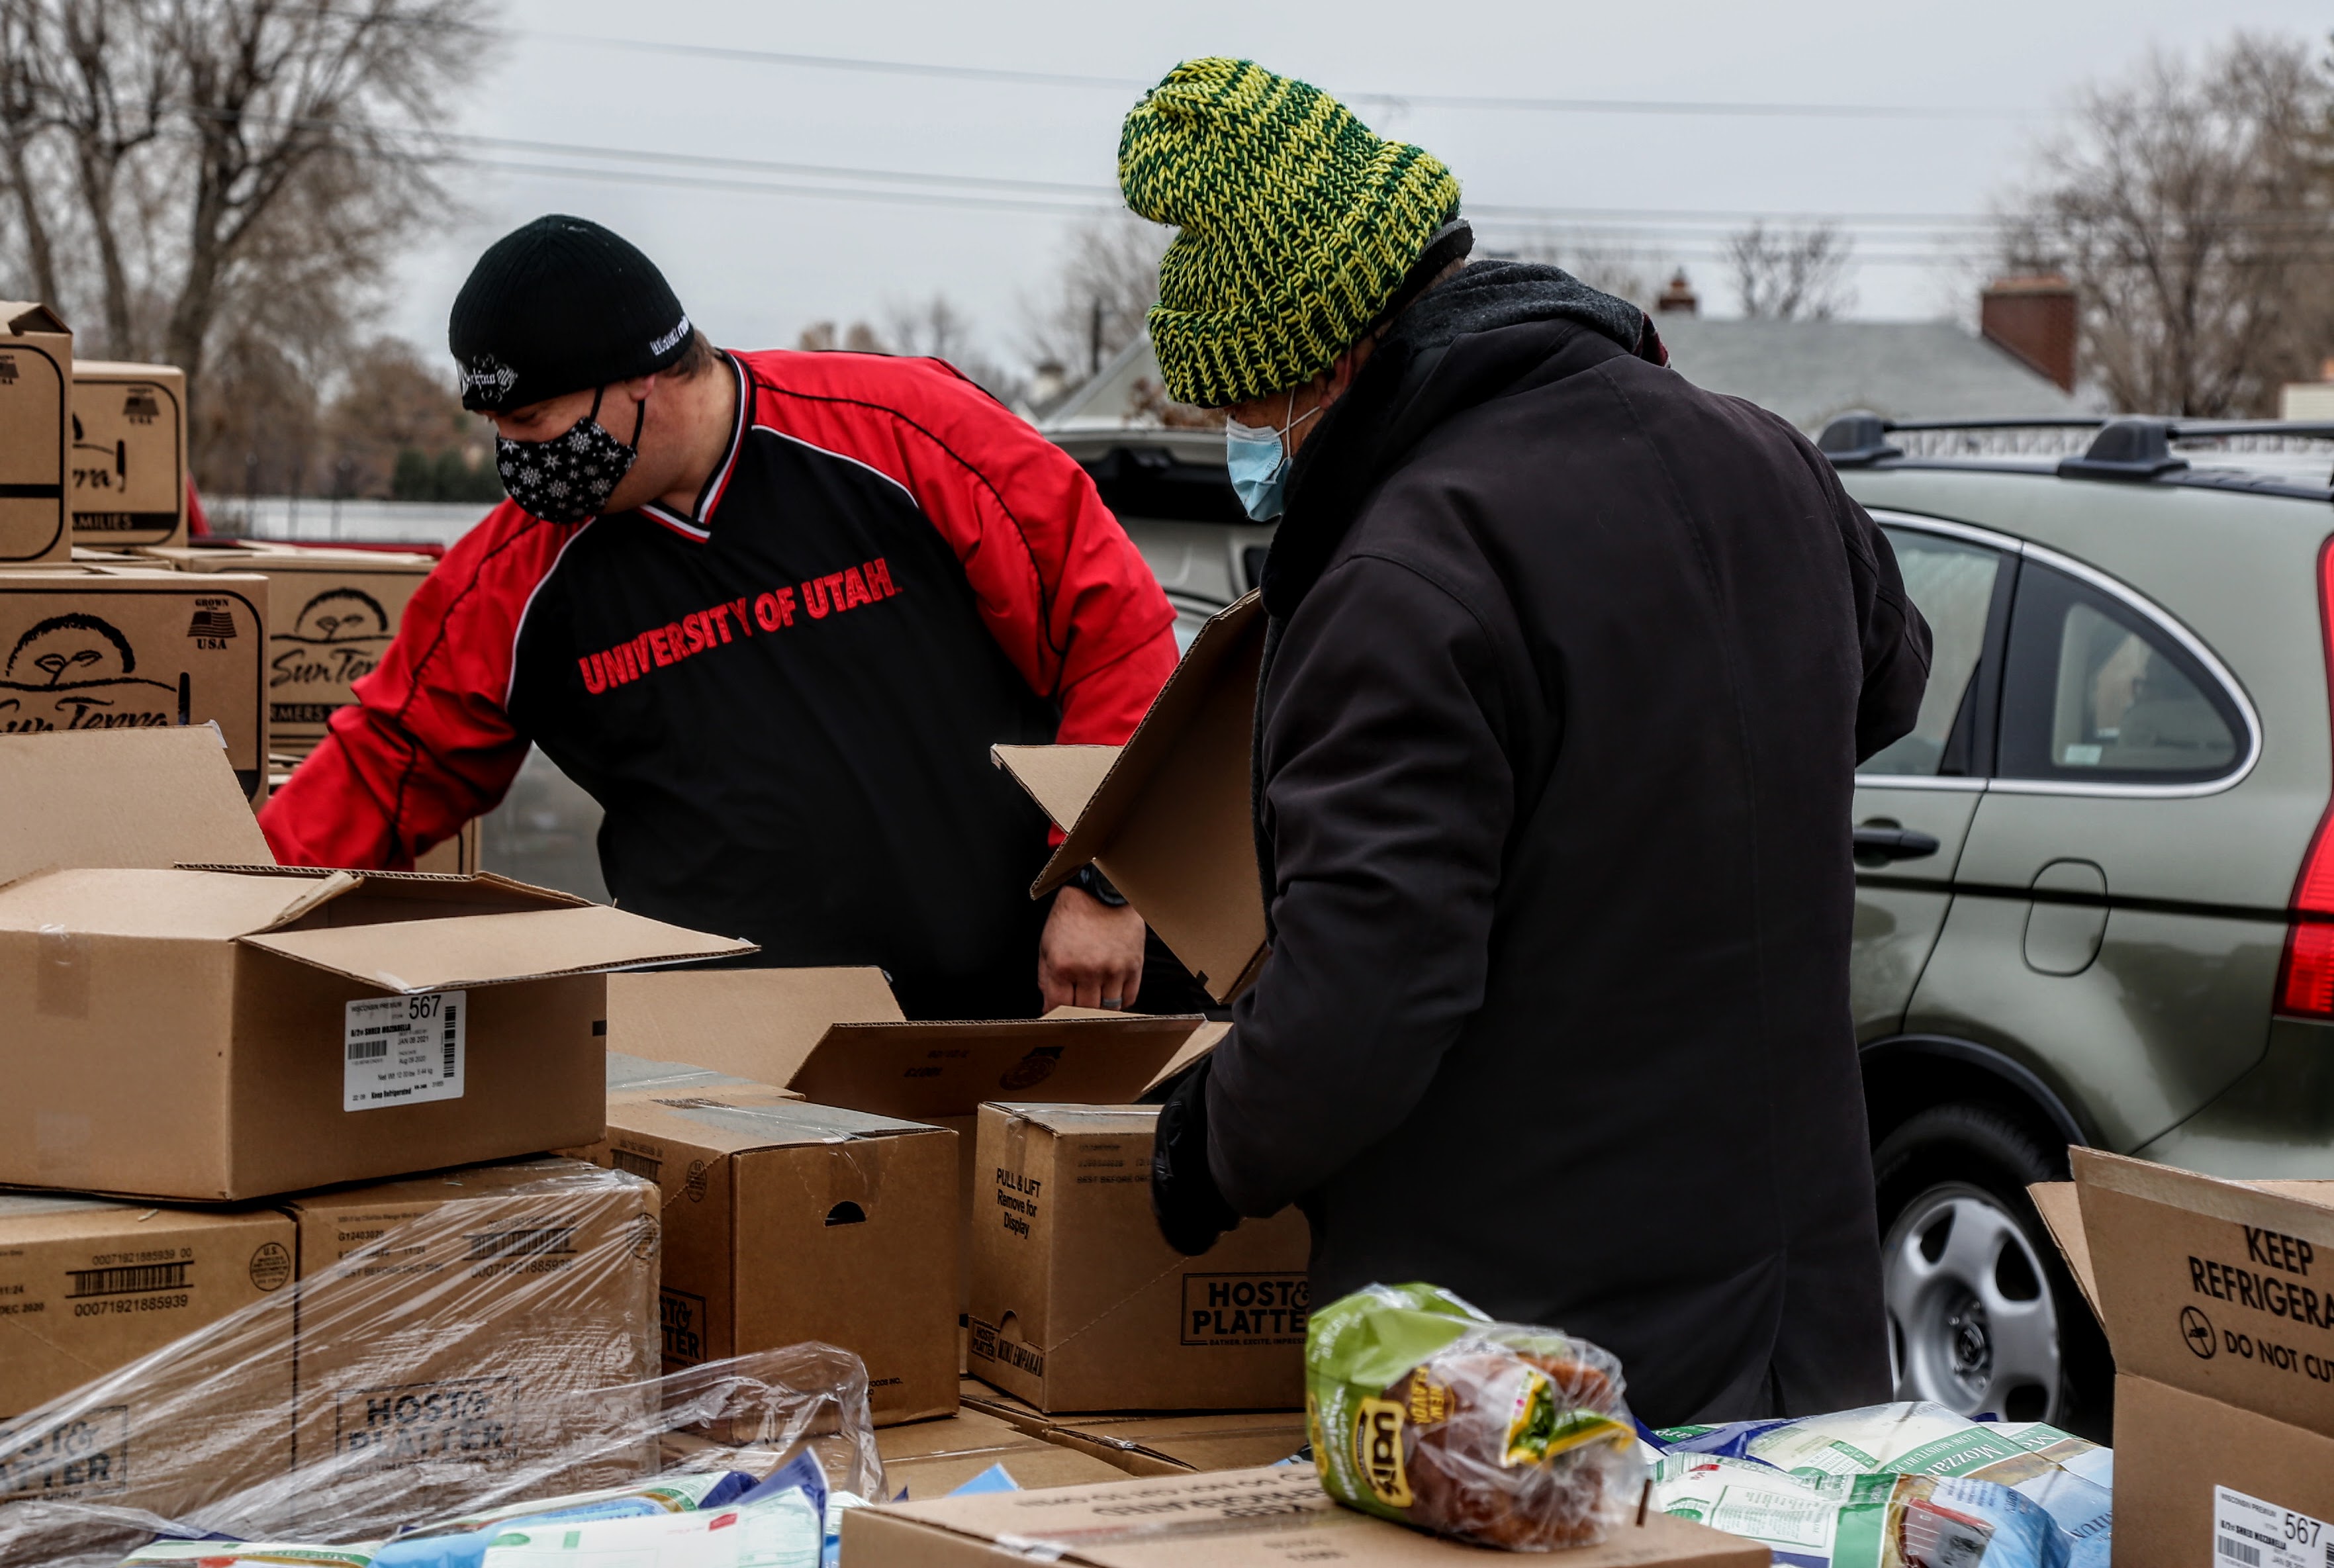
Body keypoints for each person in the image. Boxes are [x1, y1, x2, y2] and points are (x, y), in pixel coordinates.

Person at [1128, 60, 1933, 1426]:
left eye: (1248, 415)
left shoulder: (1406, 572)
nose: (1253, 450)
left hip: (1539, 1364)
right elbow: (1888, 680)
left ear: (1323, 361)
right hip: (1797, 1312)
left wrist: (1204, 1151)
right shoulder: (1765, 456)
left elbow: (1368, 1001)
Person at [259, 215, 1180, 1020]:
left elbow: (1117, 633)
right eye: (498, 428)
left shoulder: (904, 429)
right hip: (732, 1065)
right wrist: (217, 912)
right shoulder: (513, 574)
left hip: (1021, 1004)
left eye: (532, 421)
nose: (515, 456)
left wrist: (1101, 879)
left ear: (640, 380)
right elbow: (383, 764)